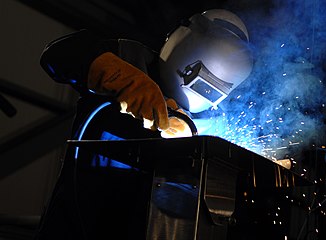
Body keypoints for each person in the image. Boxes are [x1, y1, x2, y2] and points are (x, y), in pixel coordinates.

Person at [35, 9, 253, 239]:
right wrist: (126, 81)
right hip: (76, 222)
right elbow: (56, 54)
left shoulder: (210, 123)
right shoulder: (129, 58)